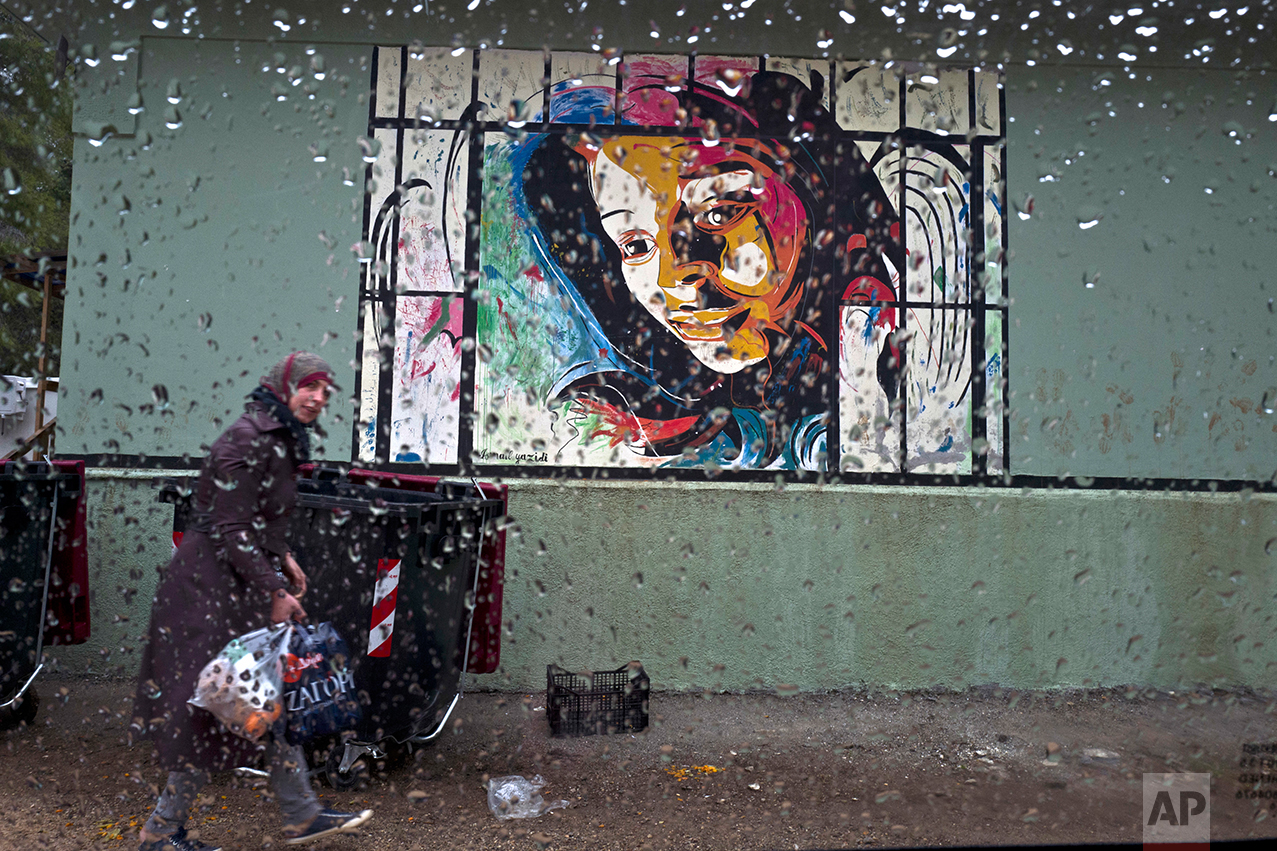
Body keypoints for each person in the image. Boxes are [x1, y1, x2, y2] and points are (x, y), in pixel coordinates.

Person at [518, 71, 900, 470]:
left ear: (810, 205)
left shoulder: (873, 359)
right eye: (634, 246)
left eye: (719, 213)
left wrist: (860, 380)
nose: (676, 275)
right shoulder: (635, 424)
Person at [132, 352, 373, 850]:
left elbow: (256, 518)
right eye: (310, 386)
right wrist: (275, 590)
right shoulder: (248, 439)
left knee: (254, 697)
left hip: (230, 583)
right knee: (217, 701)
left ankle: (301, 814)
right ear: (283, 386)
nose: (320, 398)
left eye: (326, 391)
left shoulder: (276, 436)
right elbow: (231, 526)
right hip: (205, 591)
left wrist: (284, 555)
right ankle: (160, 833)